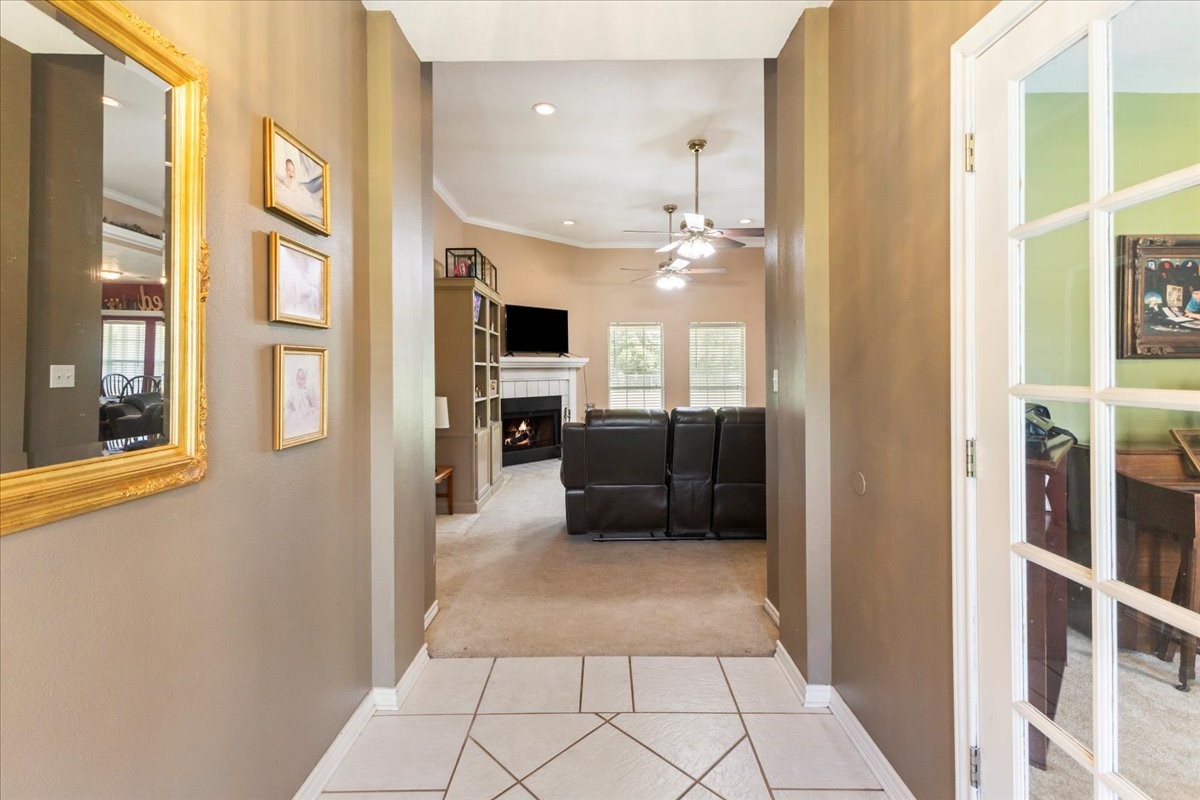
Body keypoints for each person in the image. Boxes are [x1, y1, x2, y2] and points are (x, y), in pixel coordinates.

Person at [284, 366, 319, 436]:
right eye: (298, 378)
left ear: (306, 380)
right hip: (298, 414)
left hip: (306, 412)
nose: (300, 381)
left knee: (314, 418)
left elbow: (309, 405)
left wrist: (310, 410)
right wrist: (289, 407)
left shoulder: (305, 391)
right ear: (296, 378)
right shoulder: (293, 391)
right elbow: (288, 403)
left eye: (302, 379)